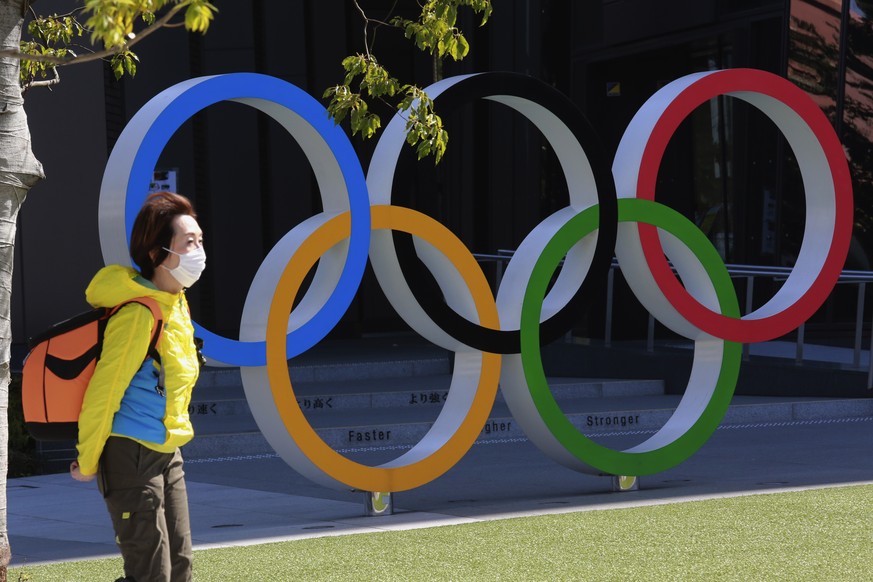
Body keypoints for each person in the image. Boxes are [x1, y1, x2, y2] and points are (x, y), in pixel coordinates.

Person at [70, 191, 206, 582]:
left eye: (200, 240)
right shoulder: (138, 314)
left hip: (167, 449)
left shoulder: (176, 303)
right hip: (131, 454)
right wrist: (90, 460)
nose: (199, 251)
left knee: (180, 570)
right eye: (188, 243)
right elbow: (104, 392)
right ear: (156, 253)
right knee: (151, 575)